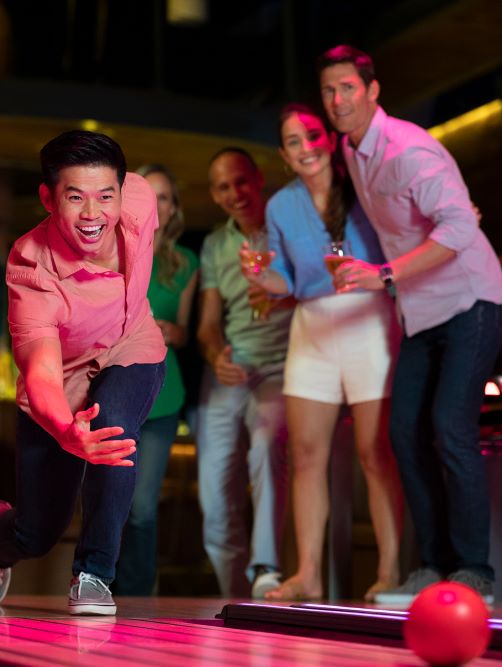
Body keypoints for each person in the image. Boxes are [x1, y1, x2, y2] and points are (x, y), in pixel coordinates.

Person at [317, 45, 502, 603]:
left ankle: (475, 572)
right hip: (421, 308)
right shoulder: (351, 148)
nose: (337, 100)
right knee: (403, 432)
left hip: (471, 299)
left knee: (450, 429)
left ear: (373, 91)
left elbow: (458, 230)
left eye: (348, 88)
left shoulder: (409, 150)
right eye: (329, 91)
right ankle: (432, 566)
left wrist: (384, 274)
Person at [0, 131, 167, 614]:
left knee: (114, 429)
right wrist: (63, 429)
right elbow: (41, 372)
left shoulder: (140, 201)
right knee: (36, 532)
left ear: (123, 191)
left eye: (105, 196)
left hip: (132, 345)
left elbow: (130, 197)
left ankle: (94, 576)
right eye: (75, 197)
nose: (93, 214)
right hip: (63, 383)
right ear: (48, 197)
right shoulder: (30, 267)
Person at [240, 103, 403, 601]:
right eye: (293, 142)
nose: (305, 147)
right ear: (285, 156)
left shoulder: (362, 183)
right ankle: (307, 573)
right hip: (311, 325)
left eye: (312, 136)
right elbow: (284, 280)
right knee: (305, 455)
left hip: (370, 318)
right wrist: (259, 276)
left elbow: (401, 241)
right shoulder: (280, 207)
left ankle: (392, 572)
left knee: (375, 454)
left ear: (328, 139)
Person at [196, 147, 292, 598]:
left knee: (266, 446)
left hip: (283, 365)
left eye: (241, 181)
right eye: (223, 187)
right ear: (214, 195)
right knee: (213, 486)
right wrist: (217, 356)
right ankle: (231, 594)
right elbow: (209, 324)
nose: (235, 193)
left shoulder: (289, 225)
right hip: (231, 368)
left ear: (258, 179)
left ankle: (266, 568)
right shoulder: (216, 244)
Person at [114, 164, 199, 596]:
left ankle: (138, 597)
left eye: (165, 196)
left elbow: (184, 330)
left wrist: (170, 330)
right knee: (113, 503)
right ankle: (96, 587)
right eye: (149, 193)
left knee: (144, 507)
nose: (156, 203)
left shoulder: (186, 262)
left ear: (174, 208)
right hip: (113, 391)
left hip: (165, 394)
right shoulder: (109, 250)